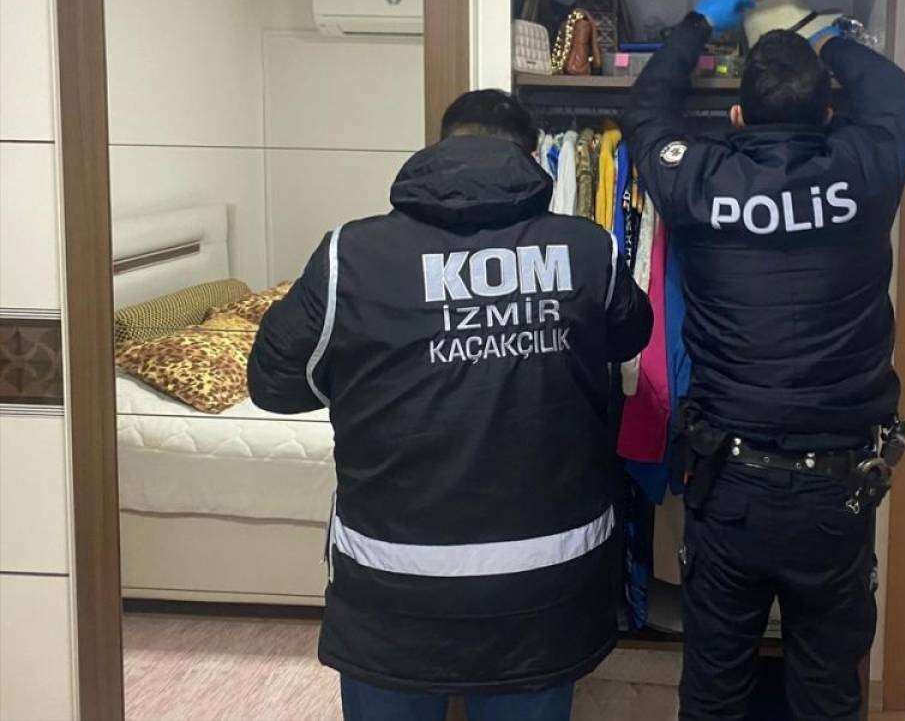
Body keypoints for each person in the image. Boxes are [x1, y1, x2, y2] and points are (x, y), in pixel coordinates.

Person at [248, 89, 653, 721]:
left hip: (394, 588)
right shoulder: (585, 250)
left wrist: (378, 375)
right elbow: (630, 334)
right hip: (542, 587)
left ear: (440, 146)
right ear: (531, 156)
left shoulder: (352, 254)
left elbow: (273, 382)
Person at [621, 0, 905, 720]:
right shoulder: (865, 165)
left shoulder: (699, 178)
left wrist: (697, 26)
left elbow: (646, 111)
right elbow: (897, 96)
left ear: (735, 119)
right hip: (838, 489)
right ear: (829, 114)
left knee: (716, 688)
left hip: (731, 486)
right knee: (826, 688)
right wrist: (825, 38)